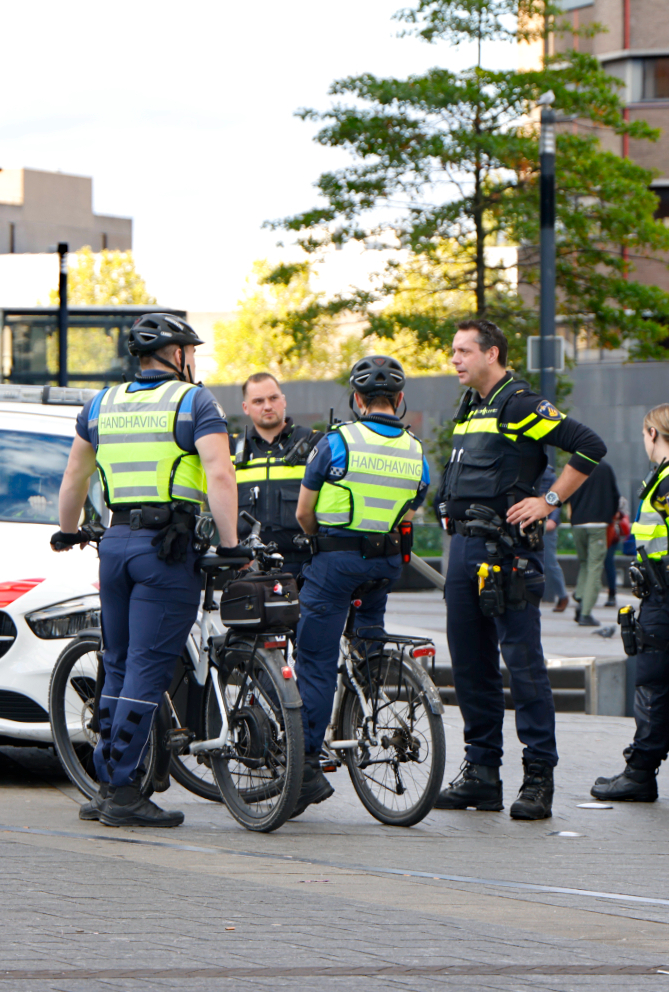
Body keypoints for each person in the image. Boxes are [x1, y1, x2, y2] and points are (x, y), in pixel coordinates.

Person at [51, 313, 239, 828]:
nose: (193, 361)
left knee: (118, 661)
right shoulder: (193, 401)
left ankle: (108, 783)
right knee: (147, 669)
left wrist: (69, 530)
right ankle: (122, 794)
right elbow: (220, 473)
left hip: (115, 545)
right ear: (176, 355)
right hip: (166, 551)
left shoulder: (101, 404)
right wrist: (231, 543)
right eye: (191, 352)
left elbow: (75, 474)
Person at [434, 319, 608, 820]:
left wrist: (548, 500)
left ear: (492, 354)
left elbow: (589, 446)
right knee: (471, 668)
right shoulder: (470, 405)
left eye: (464, 350)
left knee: (524, 667)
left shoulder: (519, 404)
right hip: (465, 550)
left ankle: (538, 780)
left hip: (507, 553)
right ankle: (482, 776)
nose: (455, 359)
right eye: (454, 350)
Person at [291, 355, 429, 818]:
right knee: (367, 633)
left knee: (314, 658)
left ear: (356, 400)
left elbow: (303, 513)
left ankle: (308, 763)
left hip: (335, 561)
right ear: (400, 401)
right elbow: (410, 509)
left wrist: (318, 540)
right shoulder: (415, 450)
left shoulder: (337, 442)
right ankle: (369, 691)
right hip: (385, 562)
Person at [592, 404, 669, 803]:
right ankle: (642, 769)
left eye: (645, 435)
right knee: (655, 678)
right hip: (666, 594)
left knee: (653, 683)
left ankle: (640, 772)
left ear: (651, 432)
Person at [234, 372, 319, 574]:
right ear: (245, 407)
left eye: (273, 398)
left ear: (284, 401)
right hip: (249, 566)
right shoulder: (230, 449)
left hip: (305, 565)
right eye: (258, 401)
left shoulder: (315, 442)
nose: (267, 406)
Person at [565, 459, 620, 627]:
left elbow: (567, 492)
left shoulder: (576, 466)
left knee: (584, 563)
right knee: (595, 566)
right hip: (598, 524)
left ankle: (581, 596)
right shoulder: (605, 468)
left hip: (578, 524)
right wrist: (609, 516)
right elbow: (614, 495)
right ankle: (585, 613)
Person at [535, 460, 570, 613]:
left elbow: (556, 497)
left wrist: (553, 520)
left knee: (549, 562)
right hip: (532, 519)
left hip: (545, 522)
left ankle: (562, 595)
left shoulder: (547, 473)